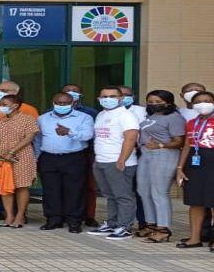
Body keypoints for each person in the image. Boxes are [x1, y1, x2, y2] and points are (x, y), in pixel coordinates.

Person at [176, 91, 214, 252]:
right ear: (193, 105)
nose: (203, 104)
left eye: (207, 100)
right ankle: (195, 238)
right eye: (198, 101)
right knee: (195, 202)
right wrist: (180, 168)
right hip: (195, 165)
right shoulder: (192, 122)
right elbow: (187, 146)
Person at [87, 87, 140, 240]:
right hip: (102, 161)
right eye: (104, 96)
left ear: (120, 98)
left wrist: (122, 159)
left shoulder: (125, 115)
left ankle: (125, 226)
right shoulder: (102, 115)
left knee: (123, 196)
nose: (108, 99)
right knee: (110, 195)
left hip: (118, 162)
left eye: (112, 96)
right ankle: (112, 223)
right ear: (99, 98)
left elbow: (131, 138)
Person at [36, 93, 95, 233]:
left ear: (73, 103)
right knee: (51, 190)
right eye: (58, 103)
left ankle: (74, 221)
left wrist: (69, 132)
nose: (61, 106)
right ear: (53, 102)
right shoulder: (43, 118)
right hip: (48, 157)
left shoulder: (84, 118)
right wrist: (37, 157)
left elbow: (88, 135)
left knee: (75, 190)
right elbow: (38, 139)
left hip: (74, 157)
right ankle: (53, 219)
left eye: (65, 103)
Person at [133, 90, 186, 243]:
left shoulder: (174, 117)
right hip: (146, 154)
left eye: (158, 101)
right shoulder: (150, 116)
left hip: (164, 154)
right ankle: (151, 224)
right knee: (143, 190)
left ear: (168, 102)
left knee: (159, 192)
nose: (153, 104)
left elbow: (179, 141)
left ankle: (163, 229)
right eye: (150, 101)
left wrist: (160, 145)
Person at [0, 94, 39, 229]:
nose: (1, 107)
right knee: (5, 187)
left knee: (21, 186)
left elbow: (29, 138)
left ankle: (20, 215)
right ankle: (9, 215)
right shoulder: (0, 121)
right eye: (0, 104)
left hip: (21, 157)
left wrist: (12, 152)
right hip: (2, 158)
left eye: (4, 105)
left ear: (15, 105)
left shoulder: (28, 119)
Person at [62, 83, 100, 228]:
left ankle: (89, 215)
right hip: (63, 152)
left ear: (81, 95)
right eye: (67, 91)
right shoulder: (51, 111)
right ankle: (66, 214)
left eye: (75, 92)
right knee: (66, 185)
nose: (71, 93)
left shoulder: (90, 112)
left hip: (87, 152)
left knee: (89, 186)